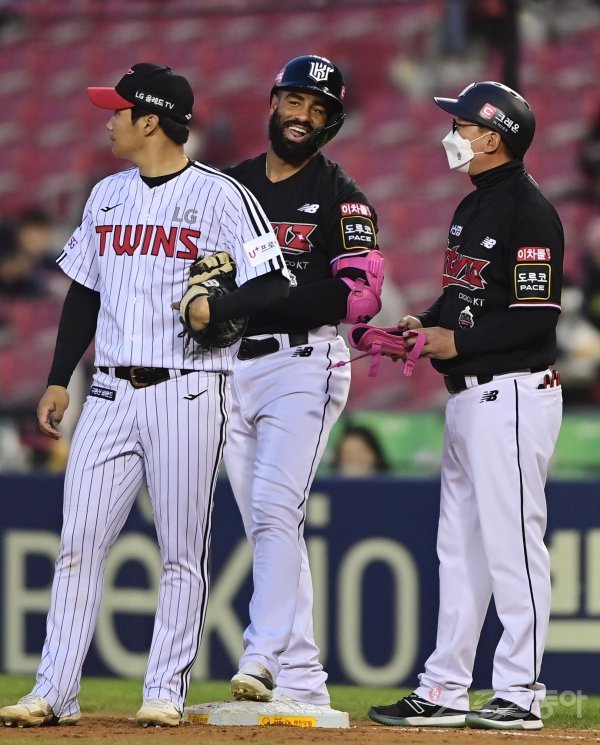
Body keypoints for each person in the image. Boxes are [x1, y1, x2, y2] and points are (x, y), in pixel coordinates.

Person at [0, 62, 289, 729]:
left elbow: (273, 281)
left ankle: (164, 690)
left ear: (150, 120)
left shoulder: (220, 195)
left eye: (118, 111)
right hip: (108, 391)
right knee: (78, 542)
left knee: (181, 551)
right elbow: (84, 291)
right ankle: (54, 691)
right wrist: (57, 377)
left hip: (186, 389)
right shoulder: (106, 195)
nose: (109, 122)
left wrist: (217, 308)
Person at [368, 81, 563, 731]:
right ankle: (446, 687)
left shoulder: (530, 212)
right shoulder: (473, 204)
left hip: (512, 392)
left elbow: (537, 318)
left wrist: (458, 341)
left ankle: (521, 692)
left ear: (494, 137)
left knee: (513, 547)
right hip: (470, 397)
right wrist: (424, 324)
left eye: (463, 124)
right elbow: (463, 297)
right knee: (459, 551)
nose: (452, 132)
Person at [220, 55, 383, 716]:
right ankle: (304, 679)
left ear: (330, 124)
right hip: (232, 366)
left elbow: (357, 295)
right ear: (274, 102)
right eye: (296, 102)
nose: (303, 117)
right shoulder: (232, 187)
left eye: (319, 111)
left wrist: (257, 301)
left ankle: (260, 654)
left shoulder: (343, 196)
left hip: (303, 363)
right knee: (270, 525)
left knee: (272, 508)